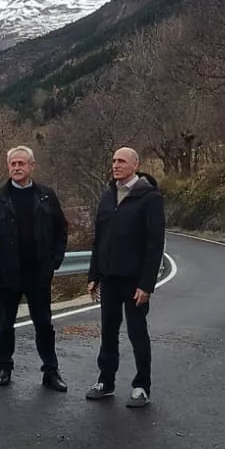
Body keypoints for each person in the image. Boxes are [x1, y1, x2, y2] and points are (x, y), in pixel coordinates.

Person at [0, 145, 70, 392]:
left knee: (44, 324)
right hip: (7, 275)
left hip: (38, 274)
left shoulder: (46, 196)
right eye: (13, 164)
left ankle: (51, 371)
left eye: (22, 163)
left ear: (32, 166)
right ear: (8, 167)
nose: (17, 168)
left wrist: (54, 261)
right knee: (5, 324)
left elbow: (61, 230)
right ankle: (4, 367)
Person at [85, 147, 165, 409]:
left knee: (137, 332)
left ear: (135, 165)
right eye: (113, 161)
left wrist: (146, 284)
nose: (116, 165)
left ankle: (142, 386)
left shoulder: (149, 198)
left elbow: (155, 244)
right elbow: (99, 238)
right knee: (108, 332)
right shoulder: (108, 195)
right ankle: (105, 382)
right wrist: (94, 274)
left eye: (121, 161)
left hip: (134, 281)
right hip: (109, 278)